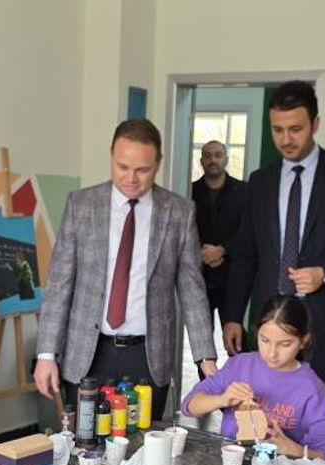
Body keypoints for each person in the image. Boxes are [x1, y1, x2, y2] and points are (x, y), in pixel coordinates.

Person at [222, 81, 325, 458]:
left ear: (315, 123)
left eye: (295, 129)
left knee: (324, 421)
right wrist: (232, 315)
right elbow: (246, 255)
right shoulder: (260, 182)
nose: (286, 139)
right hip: (270, 325)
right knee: (258, 414)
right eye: (277, 130)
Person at [35, 119, 218, 418]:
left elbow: (192, 289)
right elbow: (59, 284)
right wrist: (46, 354)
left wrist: (205, 358)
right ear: (111, 157)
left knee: (145, 443)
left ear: (157, 163)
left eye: (142, 170)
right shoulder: (81, 205)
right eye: (122, 167)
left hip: (148, 356)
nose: (131, 178)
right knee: (83, 439)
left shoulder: (179, 212)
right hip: (88, 352)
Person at [181, 295, 325, 462]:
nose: (272, 353)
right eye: (264, 340)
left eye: (285, 344)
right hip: (231, 464)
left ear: (303, 341)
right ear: (257, 332)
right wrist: (222, 399)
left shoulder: (313, 390)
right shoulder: (239, 365)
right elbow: (189, 406)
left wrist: (292, 449)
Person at [191, 140, 248, 334]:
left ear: (226, 159)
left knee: (235, 341)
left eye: (218, 155)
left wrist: (222, 250)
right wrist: (202, 253)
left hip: (232, 279)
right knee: (201, 339)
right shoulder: (189, 192)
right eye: (207, 156)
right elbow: (184, 231)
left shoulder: (244, 192)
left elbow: (248, 233)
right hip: (199, 277)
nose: (212, 160)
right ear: (201, 161)